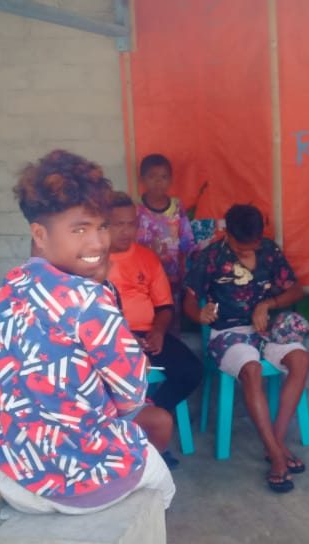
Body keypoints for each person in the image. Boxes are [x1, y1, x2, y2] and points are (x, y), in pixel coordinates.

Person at [0, 150, 175, 515]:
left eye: (101, 227)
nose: (98, 243)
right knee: (162, 488)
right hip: (80, 483)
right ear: (40, 234)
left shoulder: (9, 288)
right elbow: (132, 396)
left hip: (15, 474)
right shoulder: (89, 299)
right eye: (79, 230)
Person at [185, 204, 309, 493]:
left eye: (253, 244)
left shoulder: (268, 250)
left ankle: (275, 442)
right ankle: (277, 455)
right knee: (251, 370)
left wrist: (268, 304)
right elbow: (190, 299)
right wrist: (199, 314)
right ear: (228, 234)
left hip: (265, 329)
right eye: (242, 248)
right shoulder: (211, 257)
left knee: (300, 359)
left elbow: (295, 289)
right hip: (228, 333)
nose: (249, 251)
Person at [106, 191, 204, 466]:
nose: (126, 231)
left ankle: (150, 426)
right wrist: (125, 339)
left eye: (131, 224)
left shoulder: (147, 259)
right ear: (104, 225)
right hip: (110, 340)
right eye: (119, 224)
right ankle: (127, 439)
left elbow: (164, 306)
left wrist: (159, 332)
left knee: (191, 371)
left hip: (149, 334)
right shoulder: (94, 262)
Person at [136, 154, 196, 310]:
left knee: (170, 310)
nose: (158, 182)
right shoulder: (136, 208)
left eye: (163, 177)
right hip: (144, 275)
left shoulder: (176, 206)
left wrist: (195, 255)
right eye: (152, 177)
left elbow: (186, 238)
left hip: (172, 275)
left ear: (170, 180)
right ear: (142, 179)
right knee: (148, 310)